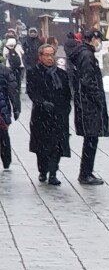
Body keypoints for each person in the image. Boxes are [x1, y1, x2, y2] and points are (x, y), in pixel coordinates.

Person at [65, 31, 109, 185]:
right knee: (91, 139)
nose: (99, 43)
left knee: (90, 139)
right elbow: (88, 81)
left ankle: (86, 172)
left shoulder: (83, 54)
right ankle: (85, 173)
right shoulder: (87, 56)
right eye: (99, 40)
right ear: (93, 40)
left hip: (84, 102)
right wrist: (97, 98)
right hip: (88, 104)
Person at [26, 41, 72, 186]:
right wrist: (42, 103)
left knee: (57, 147)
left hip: (58, 116)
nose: (50, 58)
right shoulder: (33, 73)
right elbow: (32, 92)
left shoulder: (62, 74)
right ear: (40, 57)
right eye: (47, 55)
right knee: (42, 147)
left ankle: (53, 173)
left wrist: (66, 108)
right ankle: (43, 170)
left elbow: (67, 93)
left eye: (52, 55)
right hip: (41, 116)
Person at [0, 50, 16, 173]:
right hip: (3, 108)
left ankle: (6, 159)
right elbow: (12, 91)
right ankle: (6, 159)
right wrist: (16, 107)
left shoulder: (5, 71)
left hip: (2, 108)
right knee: (3, 135)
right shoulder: (5, 70)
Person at [3, 33, 22, 111]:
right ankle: (17, 89)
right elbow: (23, 52)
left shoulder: (6, 47)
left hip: (9, 66)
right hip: (18, 66)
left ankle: (10, 89)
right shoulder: (18, 45)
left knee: (9, 79)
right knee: (18, 79)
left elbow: (4, 55)